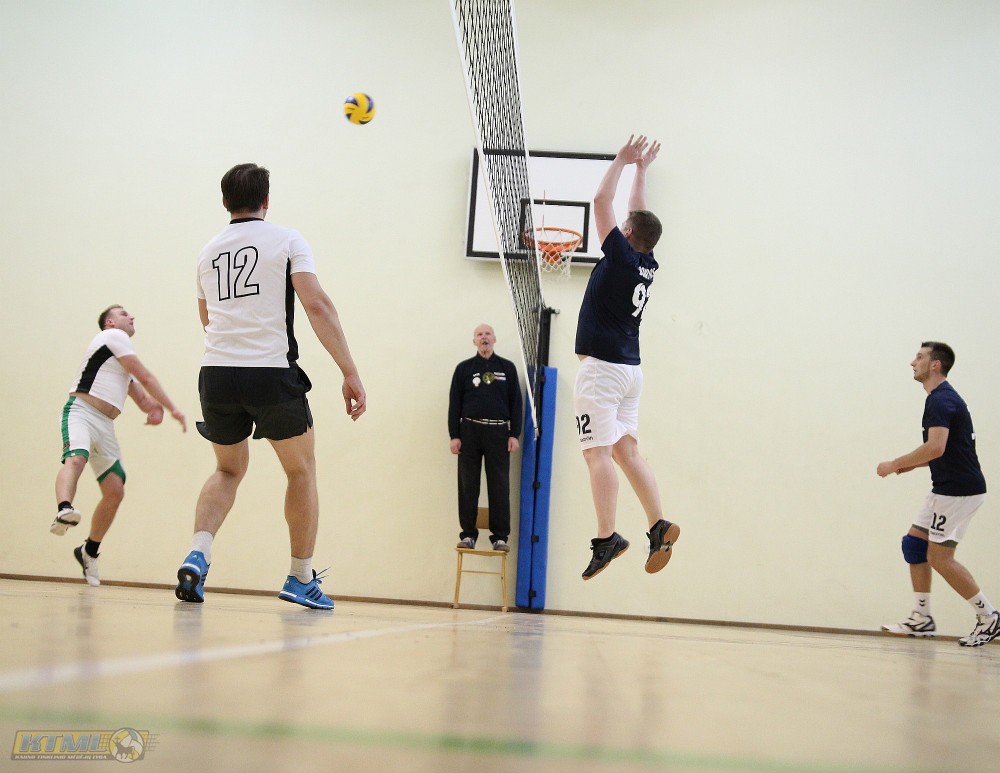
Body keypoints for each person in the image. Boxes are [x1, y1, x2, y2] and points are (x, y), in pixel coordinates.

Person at [175, 163, 366, 610]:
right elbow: (316, 305)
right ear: (266, 200)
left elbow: (207, 320)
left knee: (227, 469)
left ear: (225, 202)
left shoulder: (207, 252)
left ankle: (197, 554)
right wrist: (349, 371)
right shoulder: (288, 240)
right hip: (270, 373)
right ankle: (300, 577)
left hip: (216, 373)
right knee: (301, 471)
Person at [574, 134, 680, 581]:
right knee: (626, 451)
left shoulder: (619, 255)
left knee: (596, 454)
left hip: (601, 371)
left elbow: (601, 200)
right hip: (630, 372)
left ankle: (607, 538)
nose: (620, 227)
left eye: (624, 226)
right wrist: (642, 170)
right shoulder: (646, 262)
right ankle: (658, 524)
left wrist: (620, 159)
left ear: (628, 234)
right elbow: (638, 214)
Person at [52, 305, 187, 586]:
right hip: (80, 412)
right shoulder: (113, 337)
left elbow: (141, 396)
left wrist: (155, 409)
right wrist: (173, 409)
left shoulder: (120, 359)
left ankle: (89, 551)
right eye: (124, 314)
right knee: (76, 459)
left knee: (115, 491)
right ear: (110, 323)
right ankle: (64, 509)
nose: (132, 316)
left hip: (105, 426)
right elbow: (147, 377)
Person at [877, 342, 999, 647]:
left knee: (940, 557)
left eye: (919, 357)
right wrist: (912, 465)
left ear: (935, 365)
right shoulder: (941, 398)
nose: (912, 362)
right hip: (946, 488)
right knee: (914, 545)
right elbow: (947, 450)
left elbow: (935, 447)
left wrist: (894, 464)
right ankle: (921, 618)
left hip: (959, 492)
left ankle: (989, 617)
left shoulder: (941, 400)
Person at [448, 324, 523, 551]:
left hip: (498, 433)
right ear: (474, 341)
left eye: (487, 334)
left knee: (499, 485)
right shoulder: (464, 369)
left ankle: (500, 537)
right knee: (468, 485)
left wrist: (514, 434)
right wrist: (455, 435)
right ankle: (468, 535)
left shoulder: (507, 368)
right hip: (469, 432)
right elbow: (455, 404)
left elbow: (516, 404)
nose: (484, 338)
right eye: (479, 335)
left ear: (494, 339)